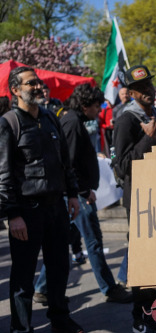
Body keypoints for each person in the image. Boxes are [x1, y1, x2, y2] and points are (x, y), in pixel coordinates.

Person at [0, 66, 83, 333]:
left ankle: (60, 319)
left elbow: (64, 162)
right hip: (26, 211)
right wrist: (12, 215)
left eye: (38, 82)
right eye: (30, 83)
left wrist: (72, 194)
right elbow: (2, 173)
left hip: (56, 207)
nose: (38, 86)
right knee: (23, 276)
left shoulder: (50, 118)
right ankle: (21, 327)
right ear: (16, 90)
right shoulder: (8, 123)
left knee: (59, 267)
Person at [34, 83, 133, 305]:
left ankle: (41, 288)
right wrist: (82, 190)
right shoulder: (72, 122)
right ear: (85, 104)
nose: (99, 110)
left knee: (66, 241)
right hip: (77, 195)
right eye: (97, 105)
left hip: (75, 193)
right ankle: (109, 288)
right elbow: (67, 161)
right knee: (94, 242)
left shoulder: (74, 120)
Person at [112, 64, 156, 333]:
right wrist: (148, 139)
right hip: (140, 201)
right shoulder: (126, 119)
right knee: (144, 262)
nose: (149, 90)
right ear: (131, 92)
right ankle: (140, 317)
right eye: (142, 88)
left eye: (149, 85)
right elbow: (122, 166)